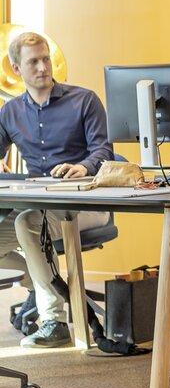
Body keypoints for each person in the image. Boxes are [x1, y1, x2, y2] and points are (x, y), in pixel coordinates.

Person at [0, 31, 113, 348]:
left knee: (28, 223)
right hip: (39, 205)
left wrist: (84, 166)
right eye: (33, 61)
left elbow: (104, 151)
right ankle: (41, 281)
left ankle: (54, 320)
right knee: (26, 222)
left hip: (87, 204)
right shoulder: (10, 113)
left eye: (45, 58)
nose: (42, 67)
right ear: (16, 68)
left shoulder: (84, 100)